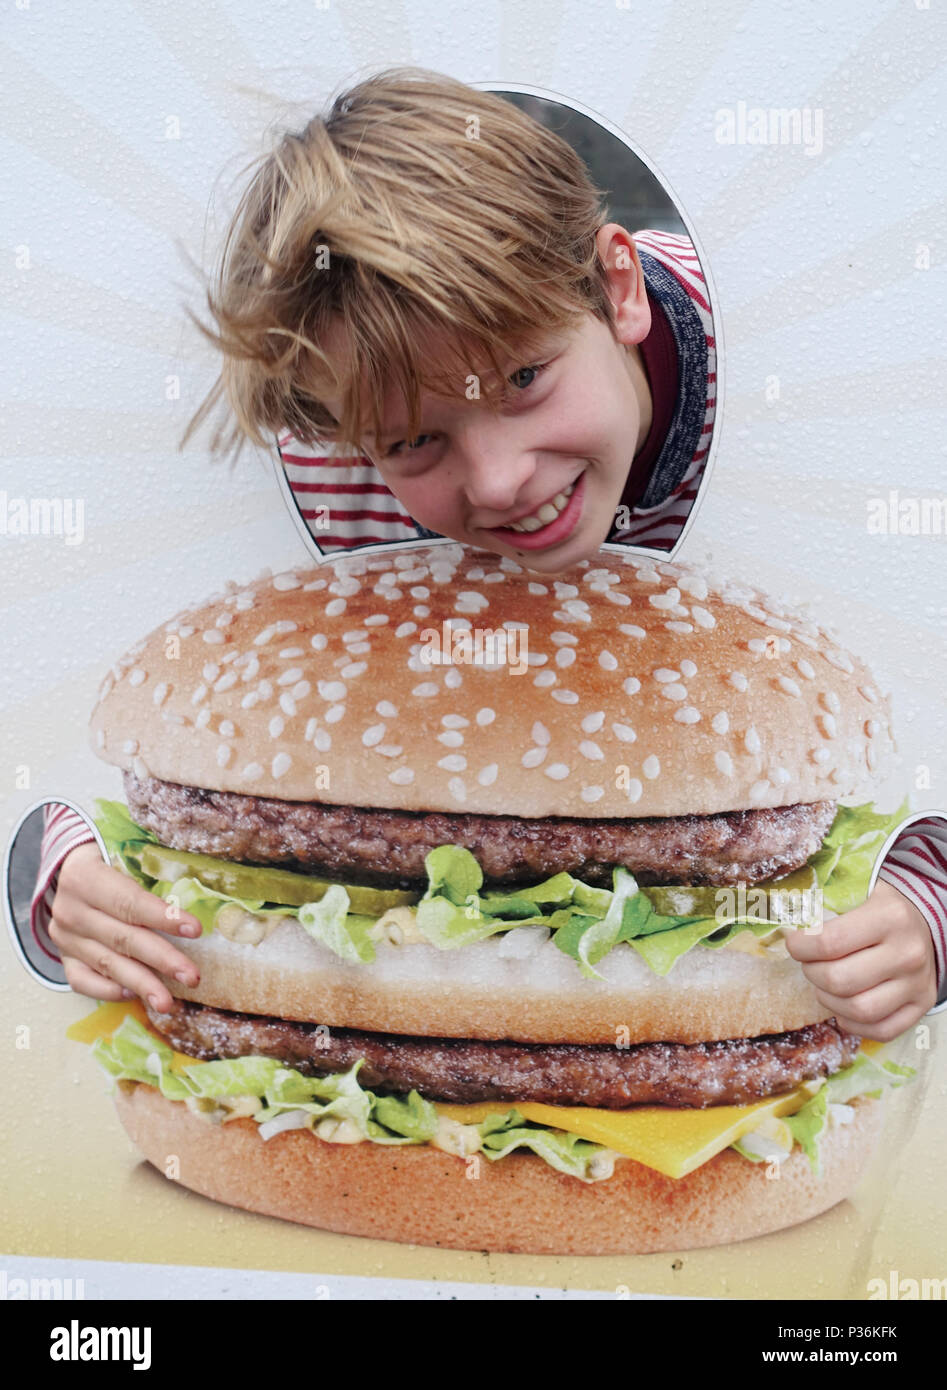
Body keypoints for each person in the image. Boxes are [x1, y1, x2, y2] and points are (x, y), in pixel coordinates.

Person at [31, 66, 947, 1035]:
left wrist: (925, 908)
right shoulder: (335, 475)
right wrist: (63, 872)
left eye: (523, 377)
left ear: (618, 288)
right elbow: (54, 754)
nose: (501, 478)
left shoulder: (804, 385)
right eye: (416, 442)